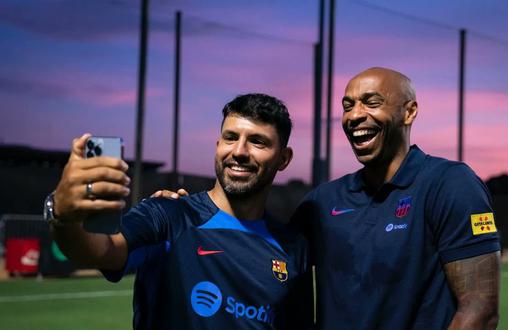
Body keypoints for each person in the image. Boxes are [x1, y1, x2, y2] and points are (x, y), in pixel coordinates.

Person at [157, 67, 501, 329]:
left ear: (409, 112)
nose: (354, 116)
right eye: (347, 106)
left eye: (371, 102)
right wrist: (189, 213)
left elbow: (479, 309)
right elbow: (263, 257)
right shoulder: (323, 202)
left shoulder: (449, 184)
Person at [44, 93, 313, 329]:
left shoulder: (292, 247)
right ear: (218, 146)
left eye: (257, 141)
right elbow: (100, 251)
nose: (239, 151)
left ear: (284, 158)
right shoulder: (169, 215)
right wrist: (64, 214)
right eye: (230, 137)